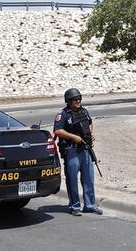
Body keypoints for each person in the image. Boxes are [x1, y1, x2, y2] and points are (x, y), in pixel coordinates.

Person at [53, 88, 103, 216]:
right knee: (72, 180)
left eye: (79, 98)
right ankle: (75, 206)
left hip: (86, 149)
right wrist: (73, 137)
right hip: (72, 150)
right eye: (75, 99)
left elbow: (90, 123)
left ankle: (90, 205)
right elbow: (57, 131)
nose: (78, 101)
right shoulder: (63, 114)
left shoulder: (84, 111)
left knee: (89, 179)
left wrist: (91, 133)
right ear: (69, 101)